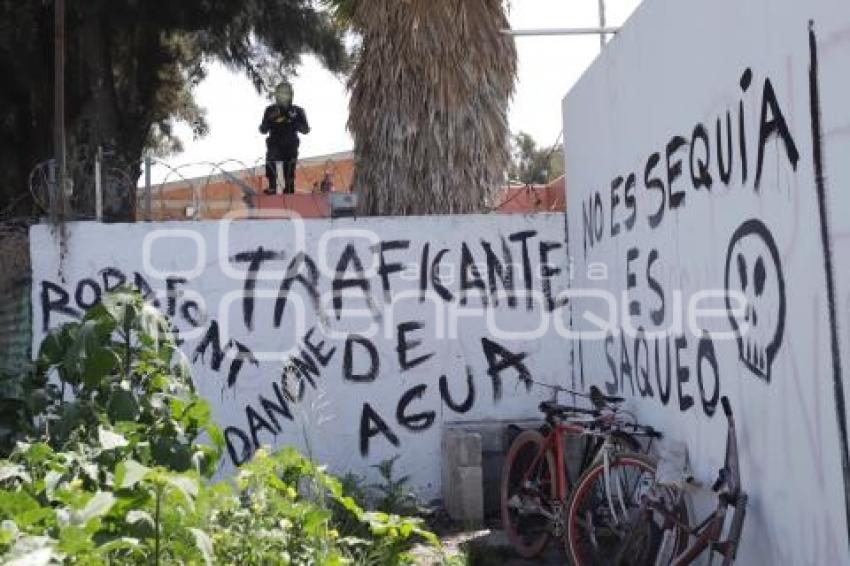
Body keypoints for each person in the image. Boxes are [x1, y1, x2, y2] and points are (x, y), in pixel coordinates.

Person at [259, 81, 310, 194]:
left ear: (291, 95)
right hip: (274, 145)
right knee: (273, 169)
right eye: (280, 93)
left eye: (286, 93)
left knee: (288, 174)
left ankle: (288, 193)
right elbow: (262, 130)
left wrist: (294, 120)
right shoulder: (270, 110)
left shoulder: (297, 110)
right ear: (276, 95)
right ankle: (273, 187)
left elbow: (306, 129)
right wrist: (270, 119)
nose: (283, 96)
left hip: (290, 146)